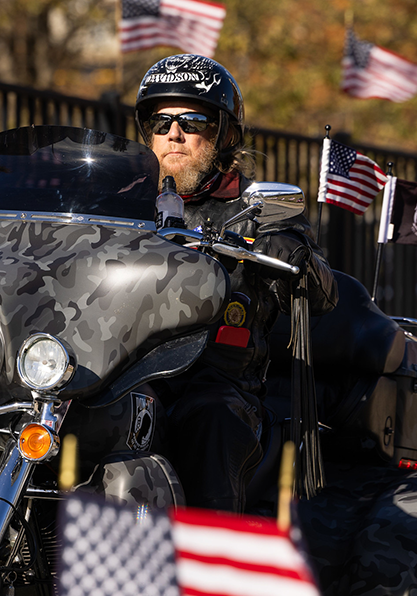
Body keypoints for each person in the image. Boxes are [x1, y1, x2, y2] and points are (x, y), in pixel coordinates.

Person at [135, 54, 339, 512]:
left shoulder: (253, 209)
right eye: (160, 120)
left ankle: (210, 573)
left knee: (212, 420)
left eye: (192, 120)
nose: (174, 133)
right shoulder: (123, 206)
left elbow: (326, 294)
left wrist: (296, 254)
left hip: (216, 384)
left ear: (223, 133)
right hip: (125, 374)